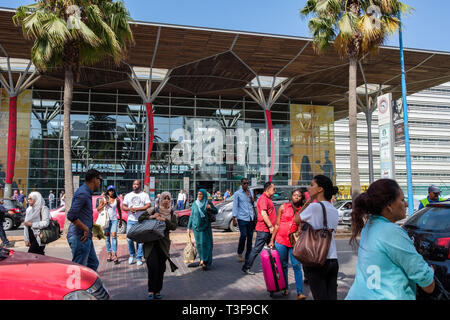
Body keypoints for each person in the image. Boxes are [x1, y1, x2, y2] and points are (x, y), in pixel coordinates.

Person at [346, 179, 436, 300]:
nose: (406, 204)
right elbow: (427, 284)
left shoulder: (370, 224)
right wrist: (430, 272)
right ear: (389, 206)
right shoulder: (392, 232)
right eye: (402, 200)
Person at [293, 175, 339, 300]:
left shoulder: (314, 207)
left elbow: (296, 219)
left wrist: (309, 200)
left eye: (312, 185)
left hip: (316, 259)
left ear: (320, 189)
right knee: (331, 297)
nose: (309, 187)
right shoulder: (334, 210)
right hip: (333, 259)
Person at [139, 191, 178, 300]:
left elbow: (174, 226)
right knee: (152, 266)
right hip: (151, 244)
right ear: (160, 199)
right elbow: (140, 219)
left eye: (168, 198)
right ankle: (151, 291)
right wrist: (152, 217)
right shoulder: (153, 210)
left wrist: (165, 220)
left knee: (161, 268)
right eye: (164, 198)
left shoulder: (172, 213)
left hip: (163, 244)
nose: (166, 200)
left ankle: (157, 291)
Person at [269, 188, 307, 300]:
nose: (296, 197)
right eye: (294, 195)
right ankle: (285, 287)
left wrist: (300, 230)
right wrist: (272, 240)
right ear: (291, 196)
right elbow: (276, 225)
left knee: (296, 265)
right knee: (283, 265)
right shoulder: (283, 207)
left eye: (299, 196)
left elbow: (302, 226)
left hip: (294, 242)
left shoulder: (302, 210)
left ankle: (299, 293)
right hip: (280, 240)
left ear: (301, 198)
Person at [67, 169, 102, 271]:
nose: (100, 182)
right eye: (99, 179)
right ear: (94, 180)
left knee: (93, 263)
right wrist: (86, 229)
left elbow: (83, 215)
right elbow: (71, 215)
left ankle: (88, 286)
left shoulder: (86, 192)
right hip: (79, 237)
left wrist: (93, 228)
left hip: (85, 236)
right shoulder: (83, 193)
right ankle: (78, 287)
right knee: (79, 270)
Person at [242, 182, 276, 275]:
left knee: (273, 248)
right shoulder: (264, 199)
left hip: (267, 230)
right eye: (273, 189)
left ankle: (275, 267)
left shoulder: (268, 198)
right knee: (257, 249)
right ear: (268, 189)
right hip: (264, 230)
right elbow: (264, 214)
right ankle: (246, 267)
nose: (275, 190)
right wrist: (270, 226)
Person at [187, 189, 218, 270]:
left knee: (207, 244)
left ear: (204, 195)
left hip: (206, 227)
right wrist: (188, 227)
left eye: (201, 194)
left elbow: (216, 211)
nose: (199, 196)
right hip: (196, 227)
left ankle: (206, 260)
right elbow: (191, 216)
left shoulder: (208, 203)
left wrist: (210, 208)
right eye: (198, 194)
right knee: (199, 244)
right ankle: (202, 260)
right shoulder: (194, 203)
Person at [122, 180, 151, 266]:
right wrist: (129, 209)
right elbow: (123, 207)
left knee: (140, 240)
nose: (135, 186)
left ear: (140, 185)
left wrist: (138, 209)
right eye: (134, 184)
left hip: (141, 220)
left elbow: (148, 205)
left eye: (137, 184)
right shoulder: (128, 195)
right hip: (131, 220)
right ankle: (132, 255)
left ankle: (139, 257)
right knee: (129, 239)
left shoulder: (144, 195)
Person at [232, 178, 256, 263]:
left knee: (250, 238)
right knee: (243, 235)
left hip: (250, 218)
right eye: (244, 183)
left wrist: (253, 201)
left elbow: (253, 204)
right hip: (242, 218)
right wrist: (234, 218)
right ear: (241, 184)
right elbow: (235, 205)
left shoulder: (251, 192)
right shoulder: (237, 194)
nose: (246, 185)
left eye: (247, 183)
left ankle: (248, 256)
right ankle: (239, 252)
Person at [97, 185, 122, 264]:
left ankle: (115, 254)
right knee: (107, 237)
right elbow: (98, 209)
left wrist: (120, 220)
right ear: (108, 191)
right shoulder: (103, 199)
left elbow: (119, 210)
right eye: (110, 190)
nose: (111, 192)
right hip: (106, 221)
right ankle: (109, 253)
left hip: (114, 220)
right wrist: (104, 204)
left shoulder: (117, 200)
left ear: (114, 191)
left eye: (112, 190)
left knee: (114, 235)